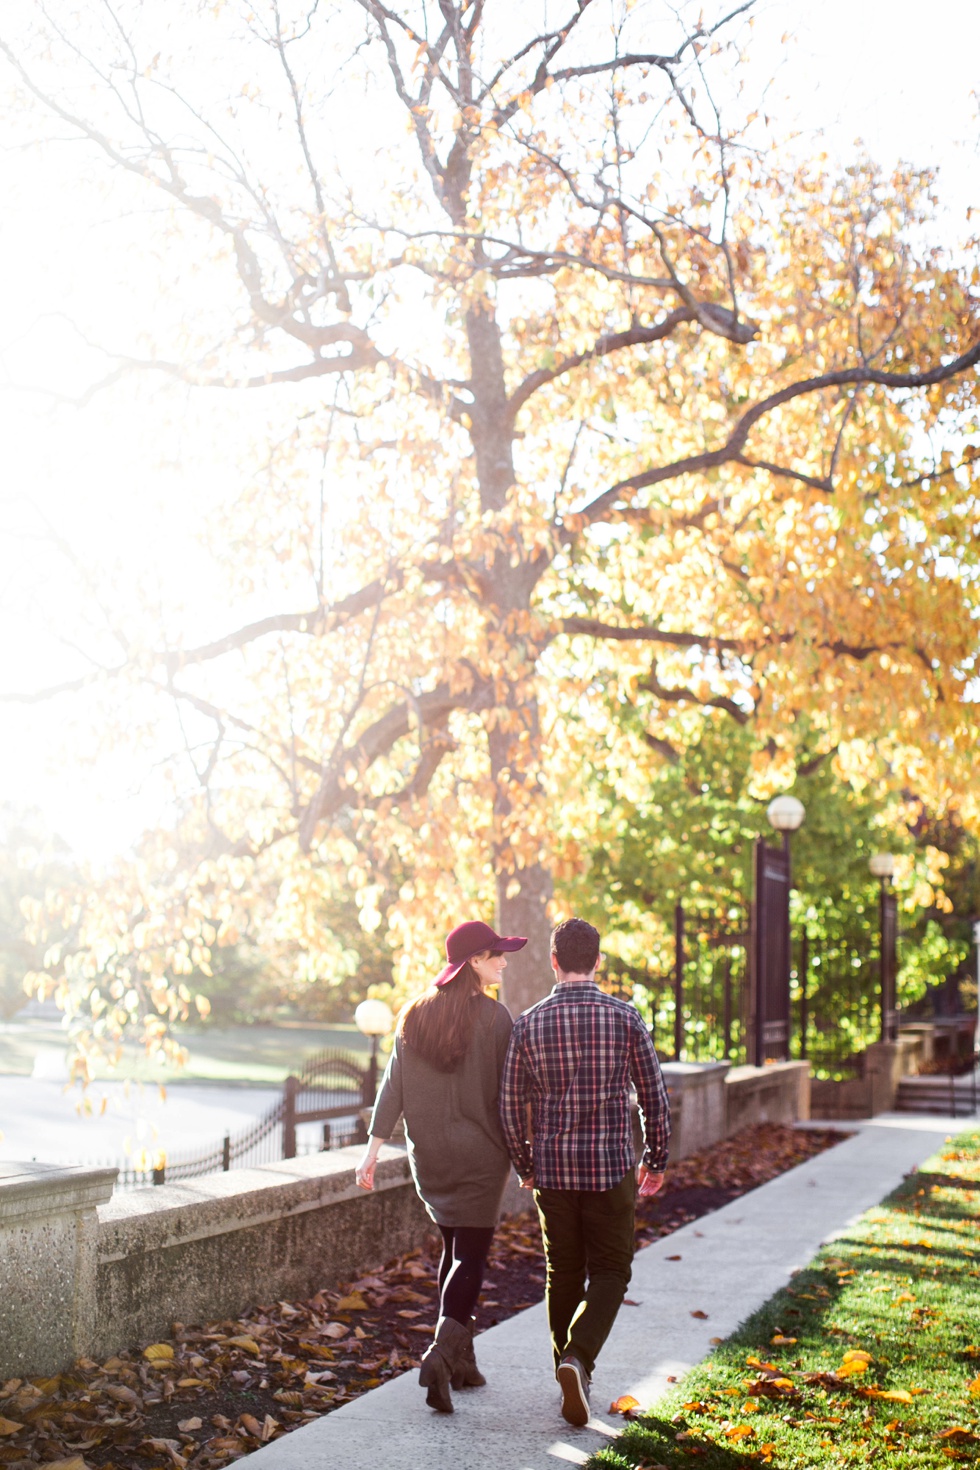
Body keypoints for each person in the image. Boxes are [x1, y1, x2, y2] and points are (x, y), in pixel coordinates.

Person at [499, 916, 670, 1428]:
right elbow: (655, 1098)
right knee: (613, 1271)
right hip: (610, 1167)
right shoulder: (626, 1018)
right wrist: (655, 1158)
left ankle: (568, 1371)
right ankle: (579, 1360)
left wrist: (525, 1164)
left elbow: (510, 1105)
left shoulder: (528, 1023)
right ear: (598, 962)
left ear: (554, 961)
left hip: (552, 1171)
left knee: (564, 1273)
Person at [354, 919, 524, 1414]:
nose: (503, 963)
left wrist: (372, 1150)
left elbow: (392, 1090)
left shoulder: (413, 1015)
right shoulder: (495, 1018)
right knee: (471, 1257)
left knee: (454, 1249)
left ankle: (463, 1364)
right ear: (472, 962)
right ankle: (438, 1358)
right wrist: (523, 1153)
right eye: (495, 956)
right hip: (480, 1157)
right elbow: (509, 1095)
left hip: (427, 1157)